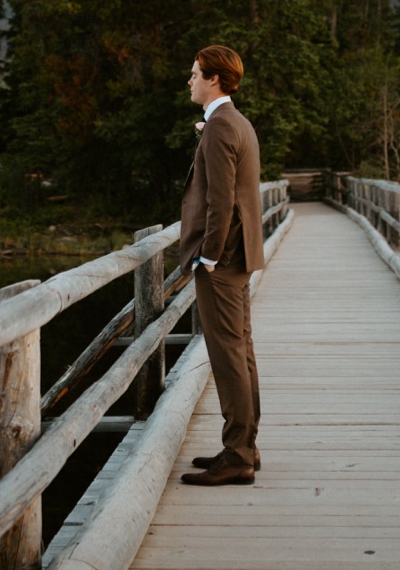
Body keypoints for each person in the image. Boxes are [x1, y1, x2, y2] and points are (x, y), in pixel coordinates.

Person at [178, 45, 264, 486]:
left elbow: (221, 201)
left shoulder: (220, 127)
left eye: (194, 75)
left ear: (214, 79)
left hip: (222, 260)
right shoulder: (236, 123)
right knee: (240, 350)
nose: (189, 81)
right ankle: (244, 445)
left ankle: (238, 456)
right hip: (239, 255)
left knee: (228, 354)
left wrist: (208, 256)